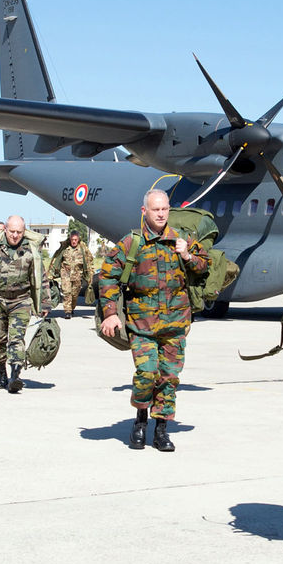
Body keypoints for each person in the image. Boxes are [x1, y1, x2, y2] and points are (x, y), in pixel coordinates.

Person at [98, 190, 209, 452]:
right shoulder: (131, 243)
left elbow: (205, 266)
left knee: (169, 378)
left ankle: (161, 430)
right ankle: (140, 421)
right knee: (147, 374)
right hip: (142, 324)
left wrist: (188, 256)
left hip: (175, 323)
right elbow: (107, 275)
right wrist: (111, 312)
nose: (160, 214)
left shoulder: (183, 240)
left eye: (165, 209)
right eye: (155, 209)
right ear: (144, 211)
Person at [0, 215, 51, 393]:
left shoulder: (31, 251)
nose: (15, 235)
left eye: (19, 232)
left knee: (16, 337)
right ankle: (1, 373)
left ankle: (15, 374)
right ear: (5, 229)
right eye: (12, 231)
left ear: (24, 232)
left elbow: (41, 277)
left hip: (21, 300)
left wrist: (45, 303)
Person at [50, 230, 93, 319]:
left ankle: (72, 307)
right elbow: (56, 259)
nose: (74, 241)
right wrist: (51, 273)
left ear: (78, 239)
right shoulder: (64, 249)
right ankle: (67, 311)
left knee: (74, 294)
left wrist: (90, 275)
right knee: (66, 292)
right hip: (65, 273)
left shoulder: (83, 249)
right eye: (72, 239)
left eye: (75, 240)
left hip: (77, 275)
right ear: (70, 239)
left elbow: (89, 262)